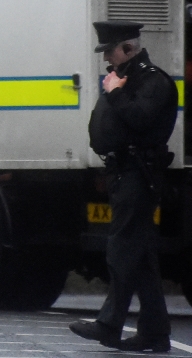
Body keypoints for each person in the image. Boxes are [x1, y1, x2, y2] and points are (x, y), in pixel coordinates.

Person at [70, 21, 177, 353]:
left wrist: (115, 92)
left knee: (121, 249)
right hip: (121, 173)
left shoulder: (153, 81)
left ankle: (108, 323)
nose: (107, 60)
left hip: (138, 172)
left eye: (111, 51)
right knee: (141, 256)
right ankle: (155, 333)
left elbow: (141, 118)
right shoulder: (127, 78)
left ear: (129, 48)